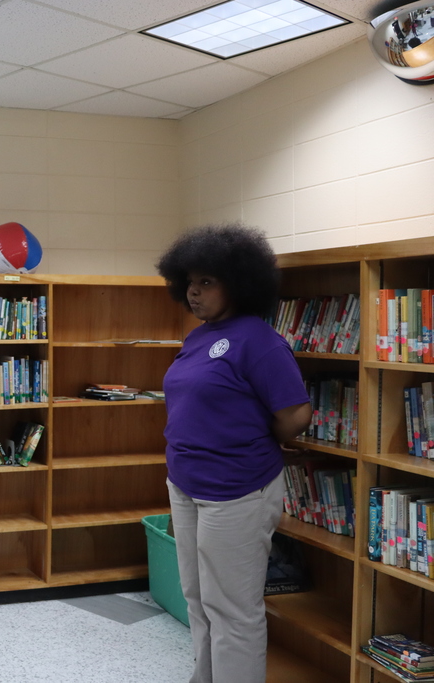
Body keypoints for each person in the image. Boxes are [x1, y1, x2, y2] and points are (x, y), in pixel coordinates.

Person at [155, 223, 312, 683]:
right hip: (186, 484)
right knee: (198, 598)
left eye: (207, 282)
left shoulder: (259, 341)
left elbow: (295, 415)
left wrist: (245, 438)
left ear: (239, 283)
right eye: (190, 282)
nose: (194, 292)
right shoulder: (198, 336)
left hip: (237, 490)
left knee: (234, 610)